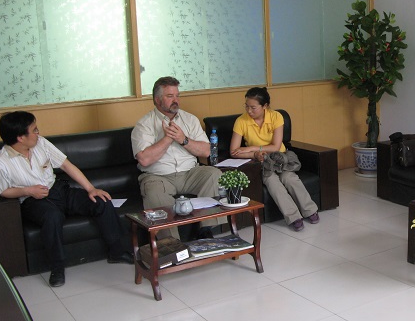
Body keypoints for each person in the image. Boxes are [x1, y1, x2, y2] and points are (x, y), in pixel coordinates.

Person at [0, 111, 133, 288]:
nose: (38, 133)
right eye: (34, 130)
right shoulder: (0, 162)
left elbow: (66, 165)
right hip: (33, 201)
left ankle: (117, 252)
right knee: (52, 217)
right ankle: (57, 268)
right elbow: (3, 191)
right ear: (20, 137)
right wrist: (28, 190)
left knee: (101, 202)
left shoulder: (41, 143)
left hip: (58, 190)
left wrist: (91, 189)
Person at [131, 76, 226, 240]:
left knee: (214, 174)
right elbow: (144, 160)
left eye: (177, 95)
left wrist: (183, 139)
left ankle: (206, 231)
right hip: (158, 177)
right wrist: (168, 139)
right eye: (170, 96)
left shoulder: (190, 119)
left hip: (190, 173)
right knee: (153, 192)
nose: (176, 100)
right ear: (157, 100)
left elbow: (207, 151)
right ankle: (171, 242)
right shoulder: (144, 125)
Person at [229, 87, 319, 232]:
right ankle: (293, 217)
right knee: (272, 182)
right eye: (246, 106)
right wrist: (254, 155)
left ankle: (310, 210)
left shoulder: (276, 116)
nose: (249, 111)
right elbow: (234, 152)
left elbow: (276, 146)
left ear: (265, 106)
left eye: (253, 107)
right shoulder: (241, 121)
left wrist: (251, 148)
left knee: (290, 178)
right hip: (262, 162)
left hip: (280, 158)